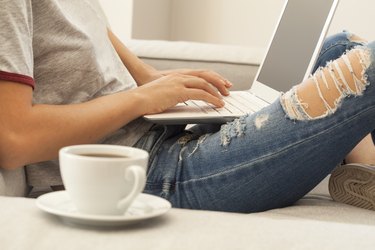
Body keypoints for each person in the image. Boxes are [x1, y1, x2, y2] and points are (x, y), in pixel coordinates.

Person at [0, 0, 374, 212]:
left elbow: (98, 35)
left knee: (341, 46)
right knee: (370, 63)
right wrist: (141, 99)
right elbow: (15, 139)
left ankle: (366, 170)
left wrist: (156, 80)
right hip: (145, 176)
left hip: (161, 132)